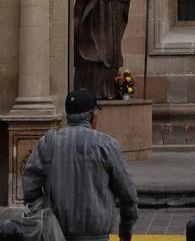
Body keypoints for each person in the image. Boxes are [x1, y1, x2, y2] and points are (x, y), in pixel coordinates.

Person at [22, 88, 138, 241]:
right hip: (97, 235)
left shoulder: (47, 143)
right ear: (92, 116)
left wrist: (43, 214)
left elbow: (30, 188)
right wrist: (126, 226)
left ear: (68, 116)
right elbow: (127, 193)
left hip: (56, 233)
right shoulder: (106, 144)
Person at [73, 0, 152, 99]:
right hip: (92, 28)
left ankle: (109, 94)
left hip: (107, 28)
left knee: (108, 58)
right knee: (94, 58)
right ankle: (92, 98)